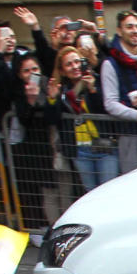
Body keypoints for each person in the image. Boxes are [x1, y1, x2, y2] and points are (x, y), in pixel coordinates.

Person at [45, 46, 119, 193]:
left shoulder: (96, 81)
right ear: (62, 70)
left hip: (104, 146)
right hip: (80, 150)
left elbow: (106, 109)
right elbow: (52, 119)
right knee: (90, 193)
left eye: (77, 62)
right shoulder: (62, 91)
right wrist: (52, 99)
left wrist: (92, 90)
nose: (75, 67)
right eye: (69, 64)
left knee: (109, 190)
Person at [101, 10, 137, 175]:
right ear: (119, 31)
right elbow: (110, 103)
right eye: (129, 27)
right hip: (129, 133)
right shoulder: (110, 64)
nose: (135, 30)